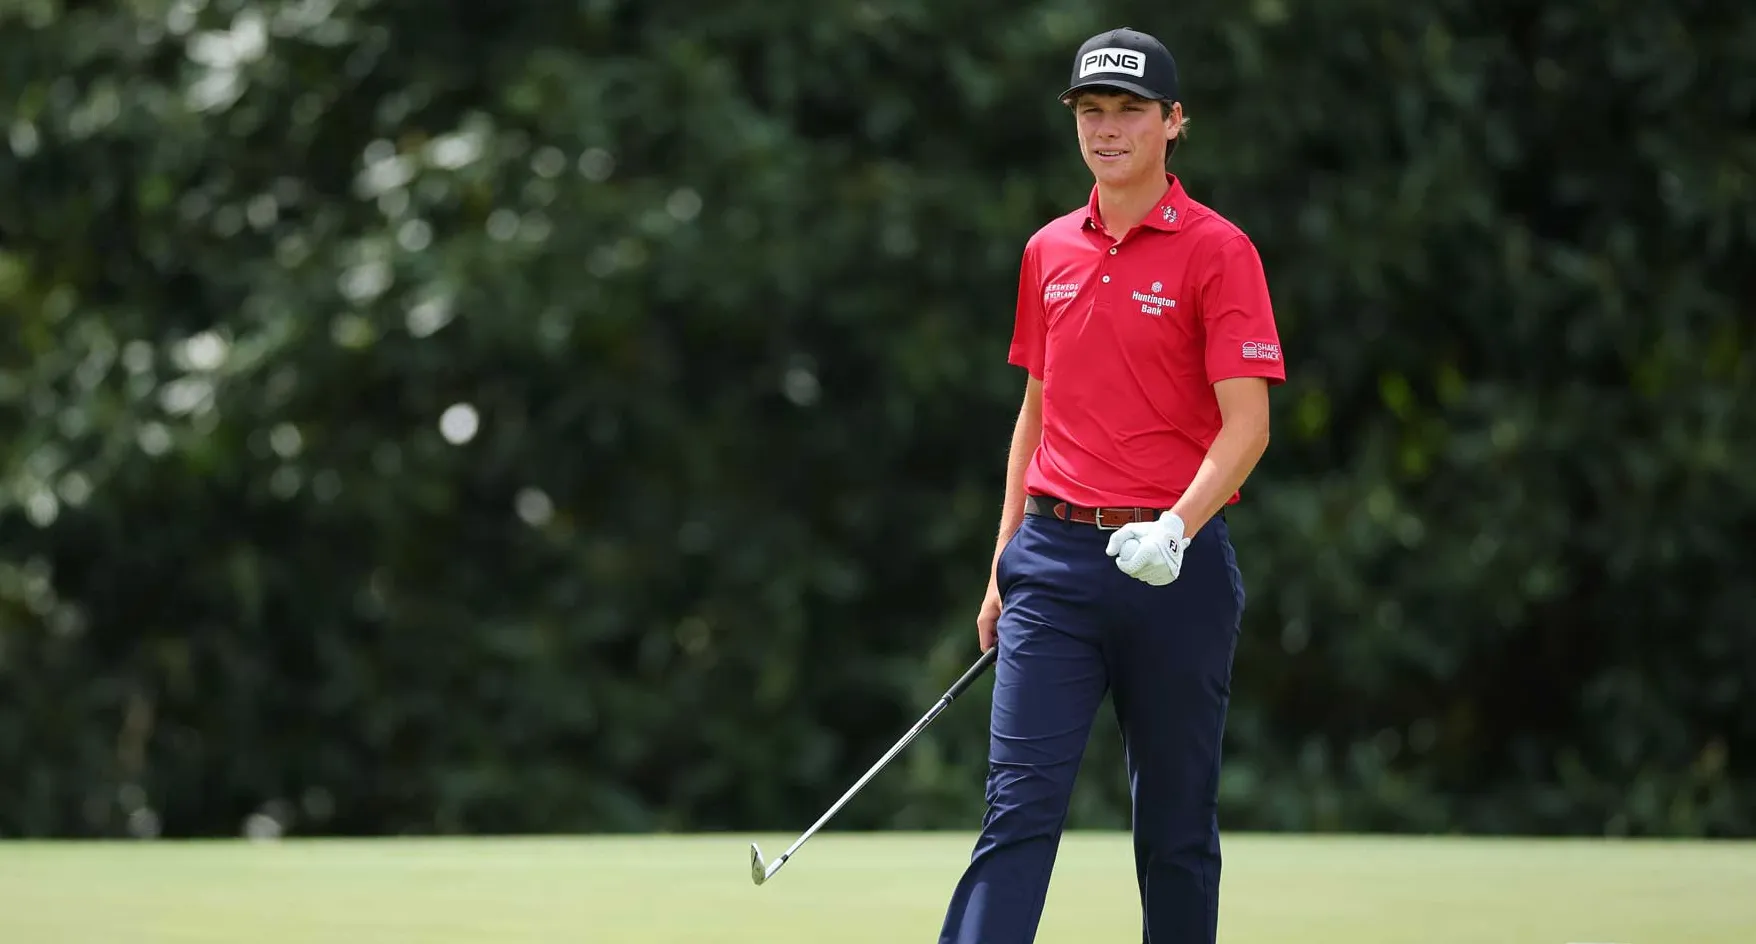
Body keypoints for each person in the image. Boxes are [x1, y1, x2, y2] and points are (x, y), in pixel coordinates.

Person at [936, 25, 1286, 944]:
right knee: (1017, 812)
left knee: (1174, 828)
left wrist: (1175, 527)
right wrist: (1002, 560)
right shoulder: (1048, 250)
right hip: (1052, 562)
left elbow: (1247, 427)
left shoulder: (1220, 252)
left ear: (1174, 122)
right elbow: (1035, 413)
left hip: (1178, 568)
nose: (1108, 129)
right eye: (1092, 110)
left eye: (1131, 111)